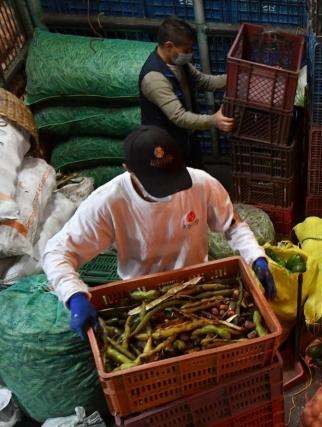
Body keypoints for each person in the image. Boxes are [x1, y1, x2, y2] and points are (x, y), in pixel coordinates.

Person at [42, 126, 275, 340]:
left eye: (172, 177)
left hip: (198, 290)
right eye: (158, 183)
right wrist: (74, 295)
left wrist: (256, 256)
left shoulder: (201, 183)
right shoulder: (108, 202)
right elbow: (57, 251)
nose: (169, 191)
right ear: (128, 170)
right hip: (144, 299)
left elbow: (232, 224)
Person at [139, 16, 234, 170]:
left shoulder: (179, 64)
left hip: (186, 138)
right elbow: (179, 117)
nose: (190, 54)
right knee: (176, 186)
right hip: (164, 145)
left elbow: (205, 81)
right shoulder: (154, 78)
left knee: (194, 177)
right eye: (186, 50)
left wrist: (237, 78)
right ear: (169, 46)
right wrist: (214, 120)